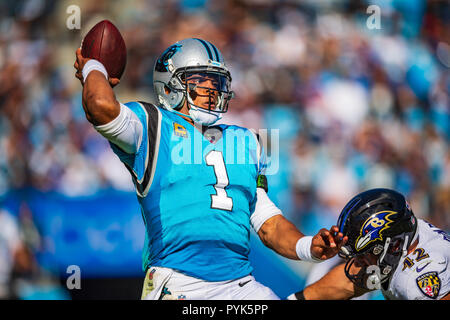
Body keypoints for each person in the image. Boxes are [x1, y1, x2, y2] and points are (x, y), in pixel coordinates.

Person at [73, 37, 347, 300]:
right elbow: (99, 105)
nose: (211, 90)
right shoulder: (153, 125)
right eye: (200, 81)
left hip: (240, 284)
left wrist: (308, 246)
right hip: (179, 281)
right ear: (169, 86)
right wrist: (94, 66)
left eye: (216, 82)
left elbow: (268, 223)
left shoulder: (247, 141)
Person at [288, 188, 450, 300]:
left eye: (365, 255)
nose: (358, 263)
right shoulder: (406, 238)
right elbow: (345, 283)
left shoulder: (414, 280)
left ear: (393, 246)